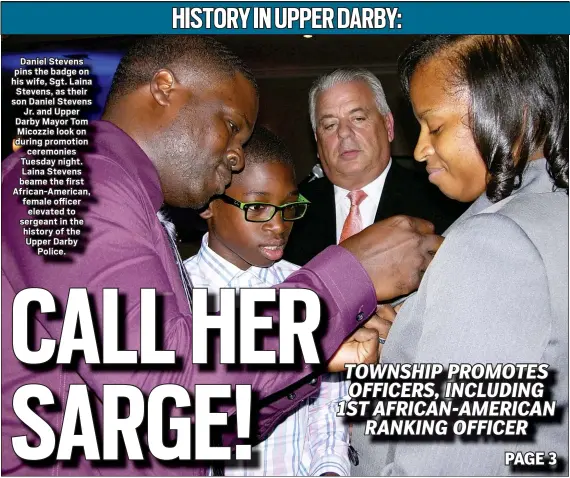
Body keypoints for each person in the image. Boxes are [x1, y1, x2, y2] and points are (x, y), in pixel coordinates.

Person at [1, 36, 442, 475]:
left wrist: (313, 358)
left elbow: (197, 423)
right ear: (163, 89)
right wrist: (350, 275)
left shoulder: (132, 203)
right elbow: (157, 384)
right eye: (231, 125)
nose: (235, 156)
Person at [351, 35, 569, 475]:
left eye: (434, 127)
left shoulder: (497, 243)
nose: (419, 150)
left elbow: (444, 461)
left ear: (515, 115)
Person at [185, 126, 368, 476]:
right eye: (257, 207)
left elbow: (329, 404)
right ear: (209, 205)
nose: (278, 225)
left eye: (288, 207)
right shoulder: (179, 295)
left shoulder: (311, 287)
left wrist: (329, 468)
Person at [284, 68, 466, 266]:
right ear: (317, 142)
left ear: (388, 126)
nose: (344, 132)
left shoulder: (442, 201)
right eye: (329, 125)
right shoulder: (290, 213)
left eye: (358, 118)